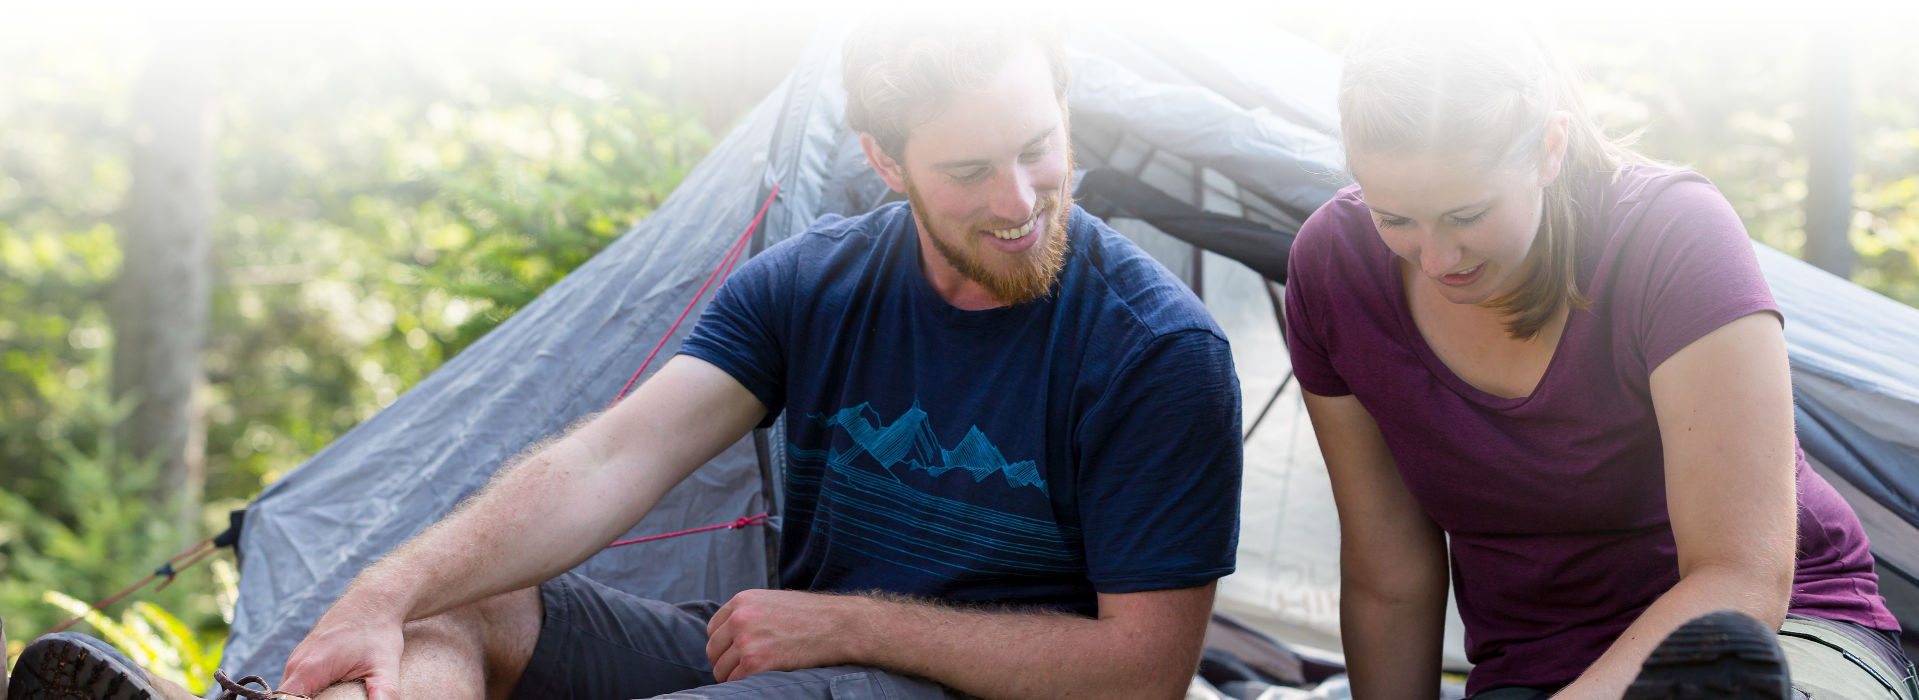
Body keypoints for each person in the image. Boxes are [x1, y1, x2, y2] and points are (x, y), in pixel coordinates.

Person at [8, 14, 1243, 700]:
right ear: (884, 162)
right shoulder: (818, 285)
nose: (1022, 198)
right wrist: (382, 590)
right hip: (801, 643)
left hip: (961, 691)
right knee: (467, 603)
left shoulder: (1154, 353)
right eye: (970, 173)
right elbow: (606, 457)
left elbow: (1141, 672)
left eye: (1039, 146)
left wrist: (847, 629)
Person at [1283, 17, 1912, 700]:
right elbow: (1388, 578)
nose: (1435, 259)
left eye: (1466, 215)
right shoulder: (1331, 269)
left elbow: (1739, 574)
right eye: (1394, 218)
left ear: (1549, 149)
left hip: (1773, 634)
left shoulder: (1669, 235)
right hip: (1536, 665)